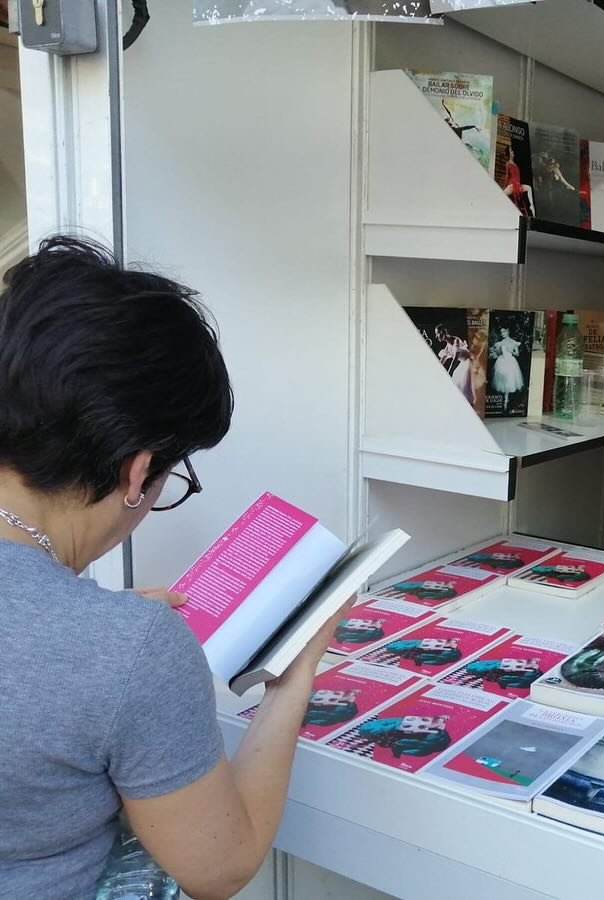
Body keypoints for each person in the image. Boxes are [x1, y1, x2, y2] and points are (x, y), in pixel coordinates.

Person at [0, 238, 346, 897]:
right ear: (136, 472)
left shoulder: (113, 641)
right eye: (171, 476)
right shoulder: (129, 645)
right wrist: (293, 678)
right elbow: (219, 864)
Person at [489, 325, 526, 413]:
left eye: (504, 332)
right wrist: (496, 352)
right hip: (502, 361)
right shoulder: (500, 343)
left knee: (510, 380)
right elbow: (497, 352)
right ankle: (503, 403)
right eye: (501, 332)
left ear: (508, 331)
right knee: (502, 381)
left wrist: (511, 351)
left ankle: (507, 402)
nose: (502, 334)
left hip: (510, 362)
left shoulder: (513, 342)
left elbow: (517, 354)